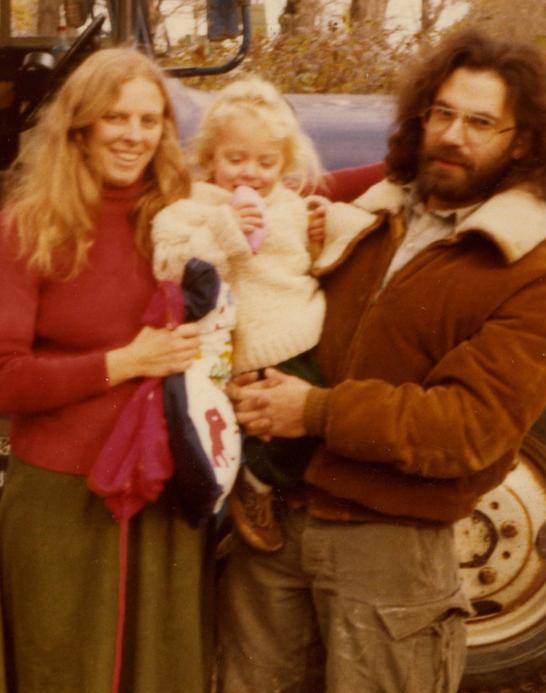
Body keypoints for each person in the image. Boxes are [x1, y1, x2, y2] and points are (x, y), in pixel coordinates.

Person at [218, 29, 546, 692]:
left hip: (389, 543)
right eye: (441, 114)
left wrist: (315, 410)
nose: (452, 135)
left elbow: (469, 426)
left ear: (524, 140)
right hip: (275, 534)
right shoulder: (363, 223)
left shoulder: (535, 275)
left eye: (480, 122)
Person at [0, 48, 212, 693]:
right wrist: (124, 363)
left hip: (163, 484)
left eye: (150, 119)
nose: (134, 136)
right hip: (63, 497)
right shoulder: (26, 228)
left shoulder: (181, 218)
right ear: (80, 125)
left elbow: (298, 189)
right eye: (116, 118)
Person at [149, 76, 374, 548]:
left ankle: (274, 490)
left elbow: (320, 259)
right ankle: (252, 487)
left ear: (285, 165)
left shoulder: (290, 207)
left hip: (302, 335)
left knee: (313, 427)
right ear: (209, 158)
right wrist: (224, 231)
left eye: (266, 162)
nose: (251, 172)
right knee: (255, 433)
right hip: (237, 353)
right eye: (236, 159)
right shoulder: (190, 208)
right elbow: (168, 267)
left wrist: (326, 225)